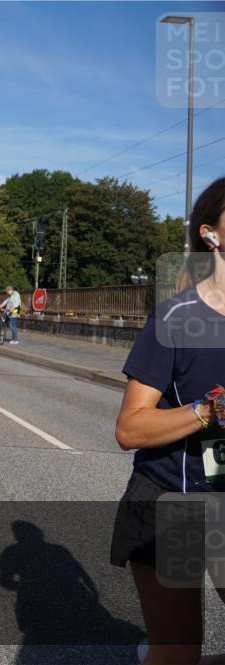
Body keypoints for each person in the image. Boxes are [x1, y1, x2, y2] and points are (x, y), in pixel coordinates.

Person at [111, 178, 225, 665]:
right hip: (174, 501)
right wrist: (209, 411)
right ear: (211, 235)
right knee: (179, 651)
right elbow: (130, 429)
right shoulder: (176, 319)